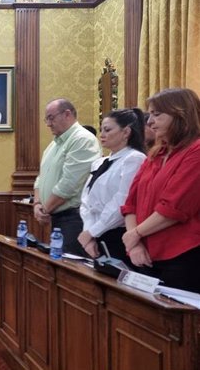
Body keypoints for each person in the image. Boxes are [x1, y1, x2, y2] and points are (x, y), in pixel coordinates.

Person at [121, 88, 200, 293]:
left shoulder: (196, 151)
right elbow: (131, 202)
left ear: (180, 115)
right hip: (144, 252)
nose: (149, 121)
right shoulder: (156, 153)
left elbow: (173, 209)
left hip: (182, 256)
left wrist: (135, 234)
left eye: (157, 115)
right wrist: (134, 243)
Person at [77, 109, 146, 263]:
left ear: (126, 132)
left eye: (107, 130)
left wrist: (93, 231)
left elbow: (121, 202)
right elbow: (86, 200)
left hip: (117, 233)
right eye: (101, 129)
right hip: (94, 232)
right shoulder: (100, 162)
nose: (102, 134)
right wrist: (88, 232)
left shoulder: (134, 158)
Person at [34, 98, 101, 256]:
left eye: (51, 118)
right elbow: (40, 177)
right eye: (47, 119)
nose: (48, 124)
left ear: (67, 114)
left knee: (70, 269)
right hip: (57, 215)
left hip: (73, 218)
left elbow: (70, 184)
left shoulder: (82, 140)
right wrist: (37, 203)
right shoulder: (55, 143)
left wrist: (45, 209)